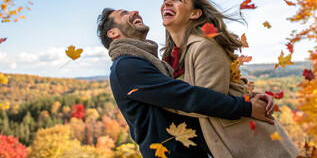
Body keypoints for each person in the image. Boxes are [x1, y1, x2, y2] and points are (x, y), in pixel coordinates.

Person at [97, 8, 274, 158]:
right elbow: (187, 96)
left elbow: (196, 85)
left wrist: (247, 96)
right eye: (124, 14)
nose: (135, 11)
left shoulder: (148, 63)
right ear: (113, 33)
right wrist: (246, 107)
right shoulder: (126, 66)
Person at [160, 0, 300, 158]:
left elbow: (208, 99)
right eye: (166, 0)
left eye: (177, 0)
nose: (167, 3)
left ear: (195, 13)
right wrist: (251, 93)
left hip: (249, 141)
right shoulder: (170, 58)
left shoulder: (205, 45)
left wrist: (158, 97)